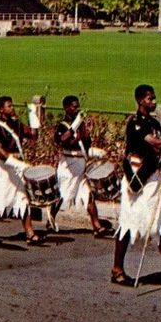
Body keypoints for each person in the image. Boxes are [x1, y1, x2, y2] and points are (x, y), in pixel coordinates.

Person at [110, 85, 161, 292]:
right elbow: (153, 142)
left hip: (153, 177)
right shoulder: (135, 124)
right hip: (137, 178)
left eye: (154, 99)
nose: (153, 102)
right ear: (140, 101)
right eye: (149, 99)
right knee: (128, 224)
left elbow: (156, 148)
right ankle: (117, 270)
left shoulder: (155, 123)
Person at [48, 95, 110, 237]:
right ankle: (51, 217)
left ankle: (97, 226)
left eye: (77, 106)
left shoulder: (81, 125)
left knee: (88, 195)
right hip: (68, 165)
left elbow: (86, 142)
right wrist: (74, 126)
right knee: (62, 194)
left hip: (80, 164)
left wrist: (96, 152)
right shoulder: (62, 126)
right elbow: (63, 141)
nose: (77, 109)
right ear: (66, 108)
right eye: (74, 106)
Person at [0, 96, 42, 244]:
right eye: (9, 106)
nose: (12, 108)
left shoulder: (17, 124)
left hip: (18, 166)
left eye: (12, 106)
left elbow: (33, 135)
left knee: (23, 198)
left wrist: (33, 115)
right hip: (5, 168)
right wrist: (18, 164)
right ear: (0, 109)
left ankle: (29, 232)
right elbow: (0, 152)